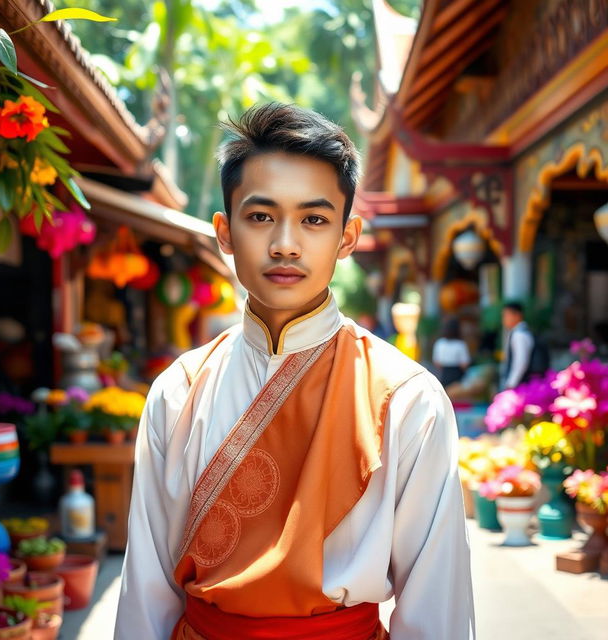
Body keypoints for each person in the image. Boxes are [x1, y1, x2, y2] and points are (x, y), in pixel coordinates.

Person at [114, 104, 474, 640]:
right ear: (225, 230)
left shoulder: (406, 398)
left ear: (347, 237)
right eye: (261, 216)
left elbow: (436, 605)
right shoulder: (179, 391)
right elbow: (146, 590)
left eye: (314, 219)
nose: (285, 242)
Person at [501, 301, 534, 389]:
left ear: (517, 316)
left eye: (506, 315)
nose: (504, 319)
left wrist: (511, 384)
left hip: (520, 386)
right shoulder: (521, 332)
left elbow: (521, 362)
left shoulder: (519, 335)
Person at [432, 317, 470, 387]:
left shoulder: (440, 343)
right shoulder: (460, 344)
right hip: (457, 377)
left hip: (443, 376)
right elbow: (464, 364)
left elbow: (436, 363)